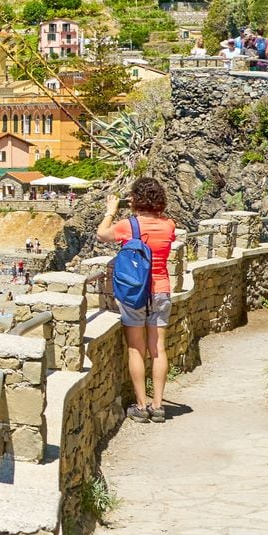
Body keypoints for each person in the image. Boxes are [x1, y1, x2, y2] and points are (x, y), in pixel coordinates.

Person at [97, 177, 177, 424]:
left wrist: (110, 212)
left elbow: (102, 235)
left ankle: (141, 406)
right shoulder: (169, 225)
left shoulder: (127, 225)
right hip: (160, 290)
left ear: (136, 199)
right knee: (158, 349)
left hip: (134, 292)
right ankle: (159, 405)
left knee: (136, 348)